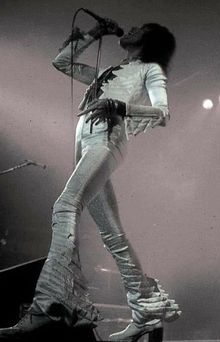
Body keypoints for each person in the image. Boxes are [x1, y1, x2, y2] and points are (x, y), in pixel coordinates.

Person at [0, 14, 181, 342]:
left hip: (107, 140)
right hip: (86, 142)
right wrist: (94, 32)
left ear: (148, 41)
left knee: (65, 207)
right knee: (112, 233)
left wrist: (120, 106)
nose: (132, 28)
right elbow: (62, 62)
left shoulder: (150, 70)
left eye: (139, 28)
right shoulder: (109, 73)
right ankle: (146, 313)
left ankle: (50, 306)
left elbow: (163, 113)